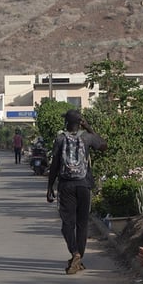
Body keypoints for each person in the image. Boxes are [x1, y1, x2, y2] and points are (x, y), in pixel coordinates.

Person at [45, 110, 107, 274]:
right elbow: (103, 146)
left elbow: (55, 165)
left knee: (67, 224)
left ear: (66, 123)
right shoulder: (86, 137)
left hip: (66, 186)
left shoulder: (60, 139)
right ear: (80, 122)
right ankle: (79, 259)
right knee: (82, 224)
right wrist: (89, 128)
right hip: (84, 185)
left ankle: (75, 253)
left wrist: (50, 187)